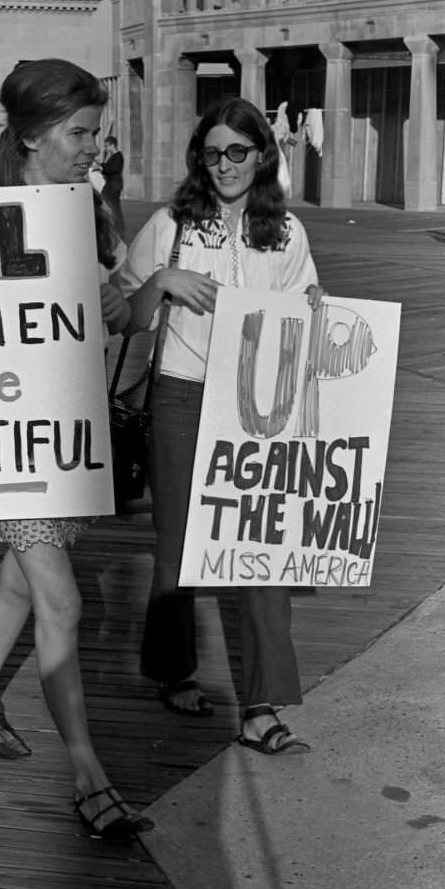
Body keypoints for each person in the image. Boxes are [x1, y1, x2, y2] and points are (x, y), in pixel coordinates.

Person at [0, 59, 153, 842]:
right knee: (61, 599)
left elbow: (115, 320)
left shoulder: (83, 209)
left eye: (96, 132)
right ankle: (88, 776)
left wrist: (140, 287)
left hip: (61, 437)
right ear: (32, 135)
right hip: (6, 443)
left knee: (20, 588)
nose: (93, 147)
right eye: (80, 133)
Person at [119, 96, 322, 753]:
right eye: (212, 153)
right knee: (178, 547)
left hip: (259, 406)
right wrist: (163, 281)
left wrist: (317, 310)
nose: (224, 164)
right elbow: (125, 314)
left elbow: (307, 315)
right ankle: (172, 669)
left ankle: (261, 705)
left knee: (263, 553)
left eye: (237, 151)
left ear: (262, 155)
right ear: (198, 159)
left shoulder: (287, 233)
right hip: (180, 397)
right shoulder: (170, 226)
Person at [100, 135, 125, 237]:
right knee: (114, 206)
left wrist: (102, 167)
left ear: (112, 145)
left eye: (107, 146)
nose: (106, 148)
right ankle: (118, 228)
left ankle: (118, 228)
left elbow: (112, 169)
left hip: (114, 184)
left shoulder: (118, 156)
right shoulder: (114, 157)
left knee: (113, 206)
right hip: (111, 183)